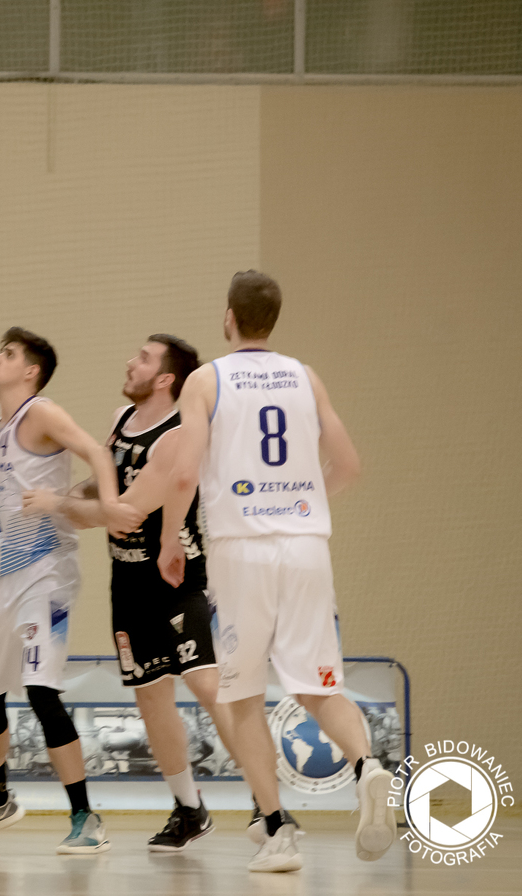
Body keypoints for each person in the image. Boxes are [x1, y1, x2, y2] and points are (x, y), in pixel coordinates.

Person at [159, 270, 395, 873]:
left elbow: (184, 473)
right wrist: (305, 503)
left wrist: (170, 539)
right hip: (306, 545)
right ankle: (367, 766)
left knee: (242, 698)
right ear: (274, 318)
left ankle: (276, 831)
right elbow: (348, 464)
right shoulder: (304, 376)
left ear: (229, 316)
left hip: (242, 550)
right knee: (319, 686)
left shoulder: (206, 380)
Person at [0, 328, 143, 854]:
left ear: (30, 371)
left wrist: (110, 506)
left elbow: (97, 452)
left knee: (40, 690)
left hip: (44, 571)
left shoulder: (40, 413)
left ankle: (85, 816)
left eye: (8, 354)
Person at [27, 334, 226, 852]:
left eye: (143, 358)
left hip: (176, 577)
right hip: (128, 580)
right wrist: (72, 497)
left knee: (207, 685)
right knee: (151, 696)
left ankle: (270, 807)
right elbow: (104, 492)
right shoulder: (120, 420)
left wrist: (57, 504)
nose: (130, 362)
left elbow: (126, 513)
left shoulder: (177, 435)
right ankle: (189, 808)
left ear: (165, 379)